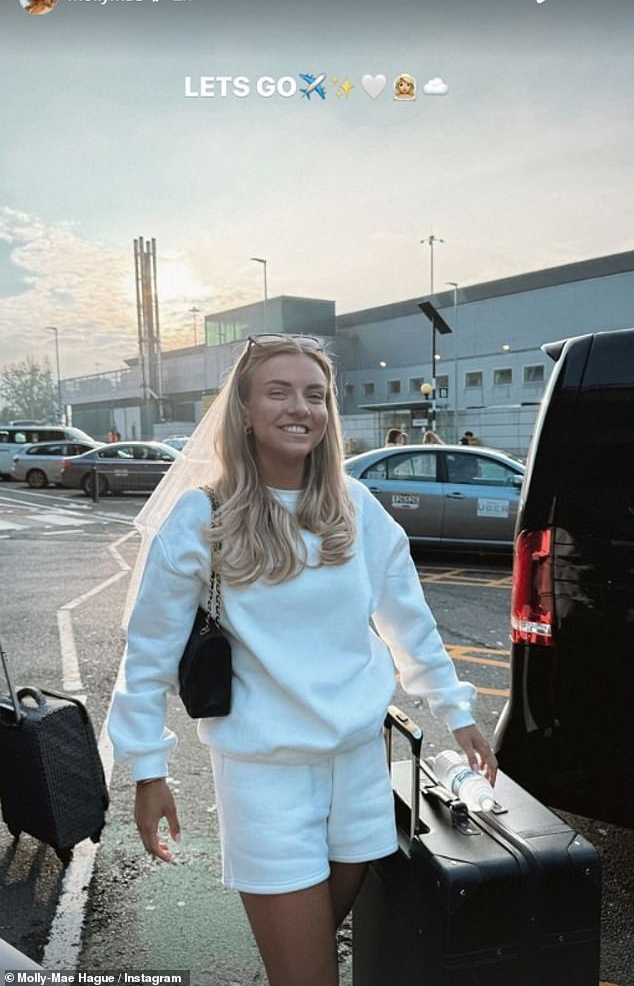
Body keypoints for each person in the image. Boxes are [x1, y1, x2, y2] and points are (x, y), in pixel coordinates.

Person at [108, 334, 496, 986]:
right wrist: (149, 769)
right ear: (246, 410)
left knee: (311, 955)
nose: (301, 408)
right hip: (265, 778)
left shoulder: (356, 506)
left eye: (315, 394)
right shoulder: (204, 514)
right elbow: (148, 654)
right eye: (279, 391)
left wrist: (457, 713)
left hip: (360, 769)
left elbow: (409, 623)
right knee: (309, 976)